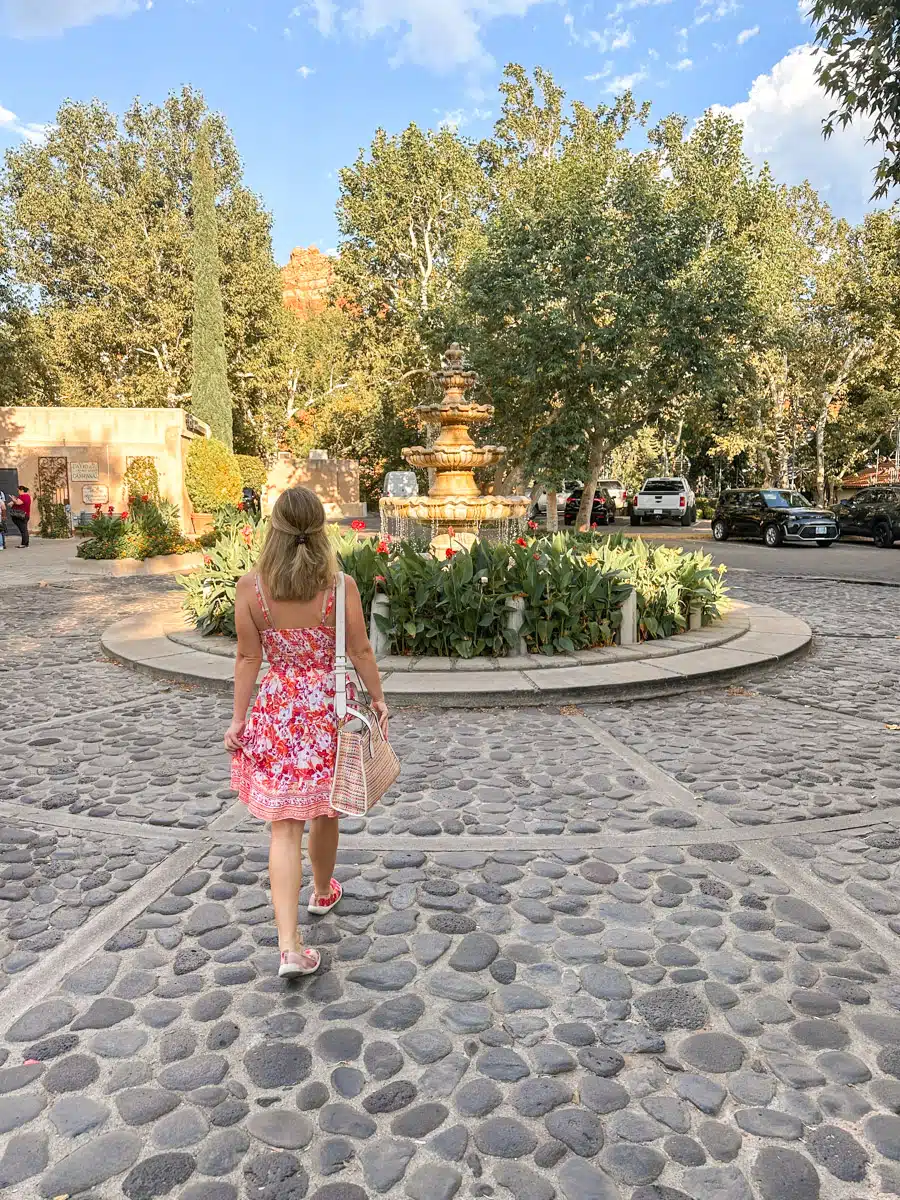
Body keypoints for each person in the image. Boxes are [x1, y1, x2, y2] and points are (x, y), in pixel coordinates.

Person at [225, 486, 389, 978]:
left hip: (277, 711)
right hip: (327, 710)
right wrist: (377, 698)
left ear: (272, 529)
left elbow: (248, 658)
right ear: (322, 529)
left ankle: (290, 947)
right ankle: (322, 891)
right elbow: (360, 652)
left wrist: (238, 719)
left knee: (283, 827)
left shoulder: (251, 588)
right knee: (325, 807)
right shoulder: (341, 588)